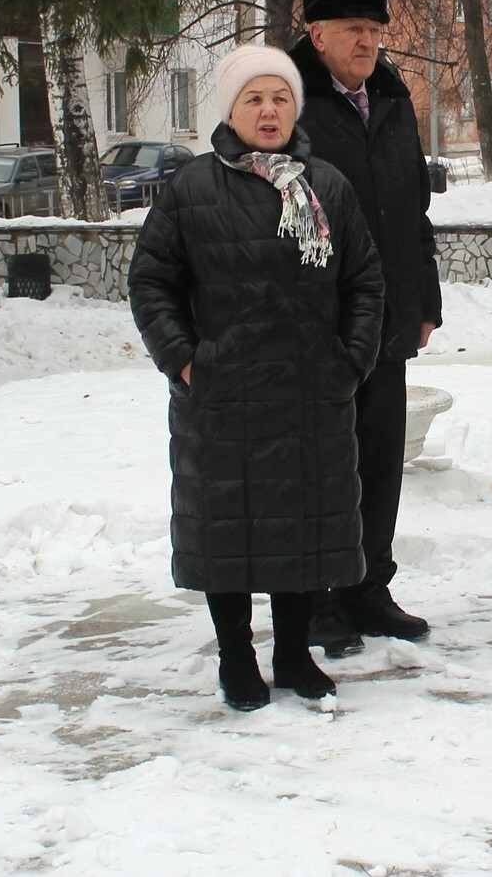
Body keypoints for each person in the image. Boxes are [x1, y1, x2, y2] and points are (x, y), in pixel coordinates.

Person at [128, 44, 386, 711]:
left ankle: (294, 654)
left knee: (302, 529)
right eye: (254, 99)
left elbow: (363, 280)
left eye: (280, 98)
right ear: (231, 110)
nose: (268, 111)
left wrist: (350, 361)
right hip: (223, 396)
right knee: (228, 531)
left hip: (310, 394)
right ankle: (236, 658)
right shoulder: (192, 188)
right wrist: (187, 362)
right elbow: (151, 282)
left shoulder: (325, 186)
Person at [290, 0, 443, 653]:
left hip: (387, 316)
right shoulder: (286, 99)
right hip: (320, 322)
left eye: (376, 29)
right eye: (353, 28)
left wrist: (424, 300)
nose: (368, 42)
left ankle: (368, 589)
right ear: (315, 32)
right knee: (323, 463)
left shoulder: (389, 98)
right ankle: (317, 599)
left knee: (380, 459)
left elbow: (413, 210)